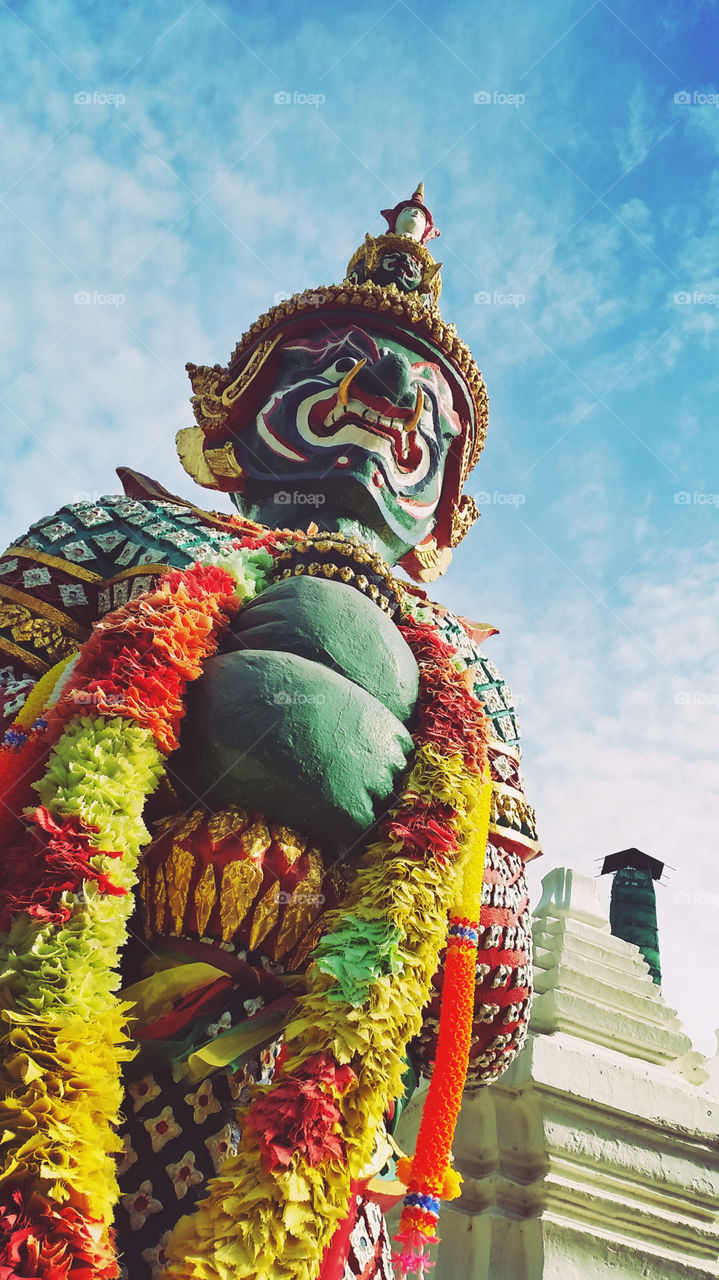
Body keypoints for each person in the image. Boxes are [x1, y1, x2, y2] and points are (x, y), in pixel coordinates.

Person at [0, 190, 540, 1280]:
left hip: (314, 1105)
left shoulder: (467, 673)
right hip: (56, 996)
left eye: (428, 402)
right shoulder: (110, 538)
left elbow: (480, 1014)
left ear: (446, 512)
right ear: (231, 410)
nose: (390, 395)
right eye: (336, 359)